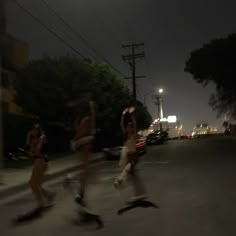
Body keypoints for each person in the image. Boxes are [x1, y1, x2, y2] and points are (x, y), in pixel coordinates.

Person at [114, 107, 146, 202]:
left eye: (130, 127)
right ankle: (139, 194)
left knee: (127, 170)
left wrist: (131, 115)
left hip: (134, 156)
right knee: (134, 177)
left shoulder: (134, 135)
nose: (129, 128)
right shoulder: (125, 135)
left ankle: (119, 181)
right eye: (128, 127)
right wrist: (123, 114)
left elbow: (135, 124)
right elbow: (121, 124)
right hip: (128, 156)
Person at [71, 100, 96, 205]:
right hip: (83, 148)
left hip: (85, 148)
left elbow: (82, 131)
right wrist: (75, 141)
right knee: (84, 171)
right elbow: (79, 132)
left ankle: (80, 193)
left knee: (84, 171)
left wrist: (91, 109)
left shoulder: (87, 120)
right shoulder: (84, 121)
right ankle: (80, 192)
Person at [27, 124, 54, 209]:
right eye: (33, 130)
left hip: (41, 161)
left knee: (32, 183)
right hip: (38, 161)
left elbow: (38, 150)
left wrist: (33, 149)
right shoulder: (33, 140)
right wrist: (30, 142)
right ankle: (49, 196)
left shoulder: (42, 137)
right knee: (36, 184)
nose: (34, 131)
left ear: (39, 131)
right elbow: (32, 152)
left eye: (36, 130)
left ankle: (40, 203)